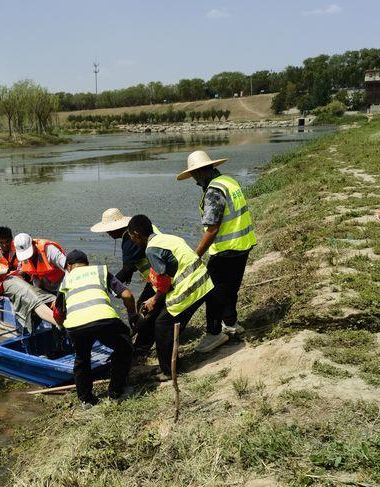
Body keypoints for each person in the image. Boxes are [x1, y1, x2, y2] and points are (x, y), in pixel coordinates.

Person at [127, 215, 224, 379]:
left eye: (131, 237)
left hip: (191, 288)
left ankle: (169, 371)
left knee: (162, 324)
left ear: (136, 234)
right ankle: (172, 360)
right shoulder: (167, 238)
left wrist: (154, 299)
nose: (133, 241)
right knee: (166, 319)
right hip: (204, 281)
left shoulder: (151, 250)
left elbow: (164, 281)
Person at [177, 150, 257, 337]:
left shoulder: (214, 190)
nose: (195, 180)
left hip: (226, 249)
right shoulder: (229, 181)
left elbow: (212, 229)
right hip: (243, 244)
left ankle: (213, 335)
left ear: (202, 171)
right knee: (230, 288)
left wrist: (195, 256)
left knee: (212, 293)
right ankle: (231, 323)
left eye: (195, 175)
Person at [53, 250, 137, 406]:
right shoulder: (100, 271)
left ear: (69, 267)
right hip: (104, 320)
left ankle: (86, 400)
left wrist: (61, 328)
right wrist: (132, 314)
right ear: (87, 264)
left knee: (82, 359)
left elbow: (57, 312)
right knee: (124, 347)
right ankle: (115, 393)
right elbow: (126, 295)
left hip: (75, 326)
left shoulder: (65, 281)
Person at [90, 208, 159, 354]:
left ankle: (141, 347)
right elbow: (133, 264)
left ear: (118, 227)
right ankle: (142, 339)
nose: (108, 233)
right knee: (146, 308)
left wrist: (108, 287)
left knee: (143, 309)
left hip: (161, 277)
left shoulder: (130, 237)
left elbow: (127, 269)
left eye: (109, 230)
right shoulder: (137, 230)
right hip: (158, 276)